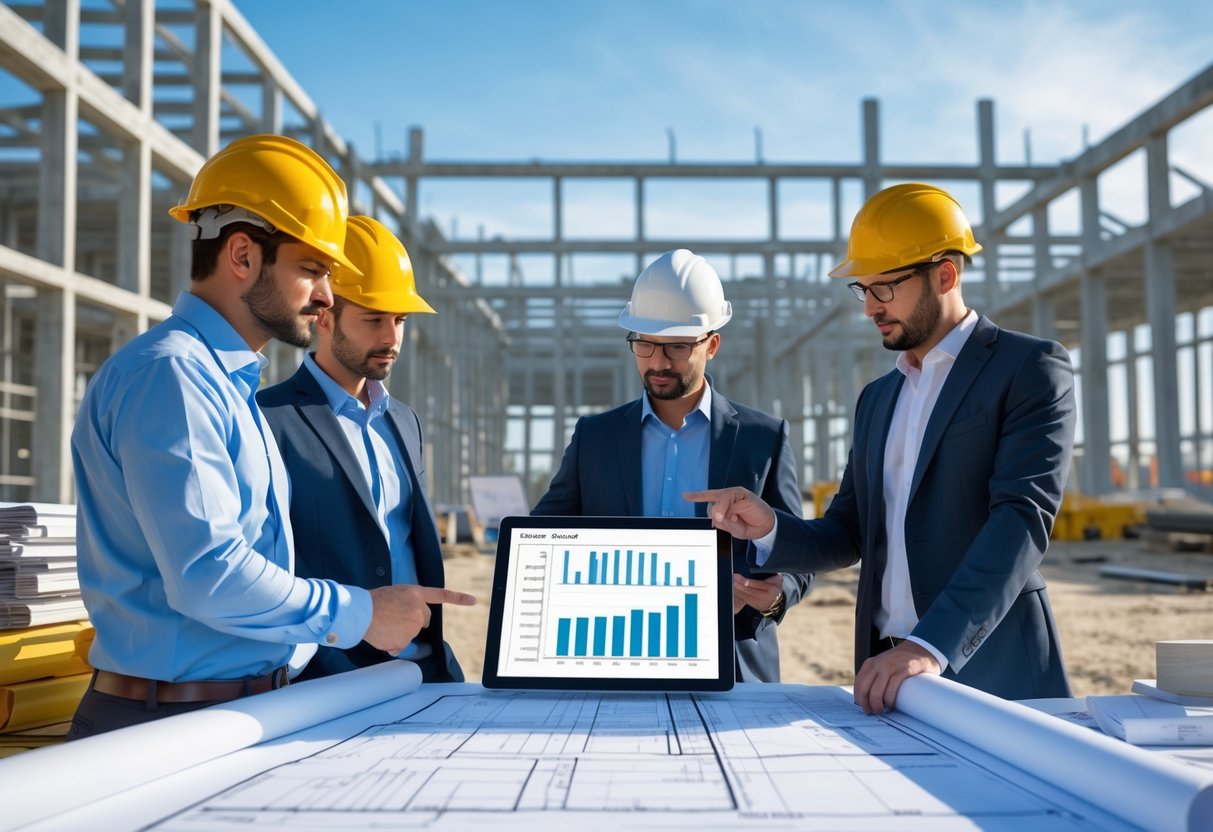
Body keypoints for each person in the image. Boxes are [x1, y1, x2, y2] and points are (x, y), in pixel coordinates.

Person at [69, 135, 474, 739]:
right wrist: (360, 613)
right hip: (168, 724)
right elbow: (210, 574)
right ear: (242, 256)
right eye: (312, 270)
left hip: (239, 711)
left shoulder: (227, 385)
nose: (327, 296)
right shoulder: (173, 376)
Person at [690, 183, 1076, 713]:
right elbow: (850, 530)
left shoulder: (1027, 369)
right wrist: (772, 527)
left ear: (946, 274)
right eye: (863, 289)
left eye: (885, 288)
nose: (870, 307)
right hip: (887, 674)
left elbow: (1020, 521)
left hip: (992, 669)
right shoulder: (878, 397)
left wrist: (930, 645)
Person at [533, 249, 812, 682]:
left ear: (712, 344)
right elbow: (540, 538)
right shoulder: (596, 438)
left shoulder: (763, 437)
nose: (658, 362)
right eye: (643, 344)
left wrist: (775, 597)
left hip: (733, 667)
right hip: (613, 657)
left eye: (678, 346)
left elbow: (799, 552)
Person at [258, 216, 462, 683]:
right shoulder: (268, 418)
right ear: (324, 314)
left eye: (400, 320)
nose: (391, 338)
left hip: (426, 671)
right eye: (373, 319)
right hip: (331, 681)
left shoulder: (404, 422)